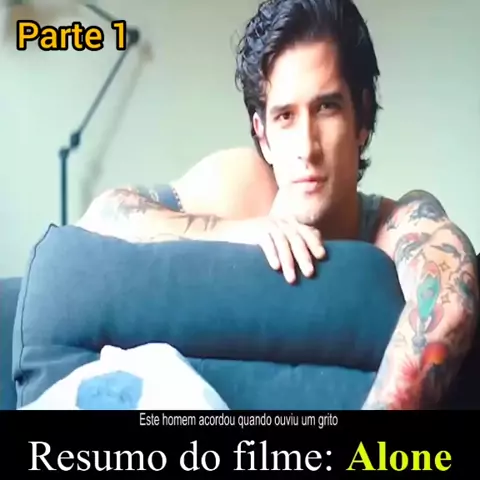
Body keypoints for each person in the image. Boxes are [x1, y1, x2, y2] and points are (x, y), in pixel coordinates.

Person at [77, 0, 479, 409]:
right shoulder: (240, 187)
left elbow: (451, 300)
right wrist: (236, 231)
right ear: (263, 135)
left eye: (327, 108)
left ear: (362, 118)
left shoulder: (394, 223)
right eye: (285, 116)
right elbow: (103, 215)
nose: (307, 147)